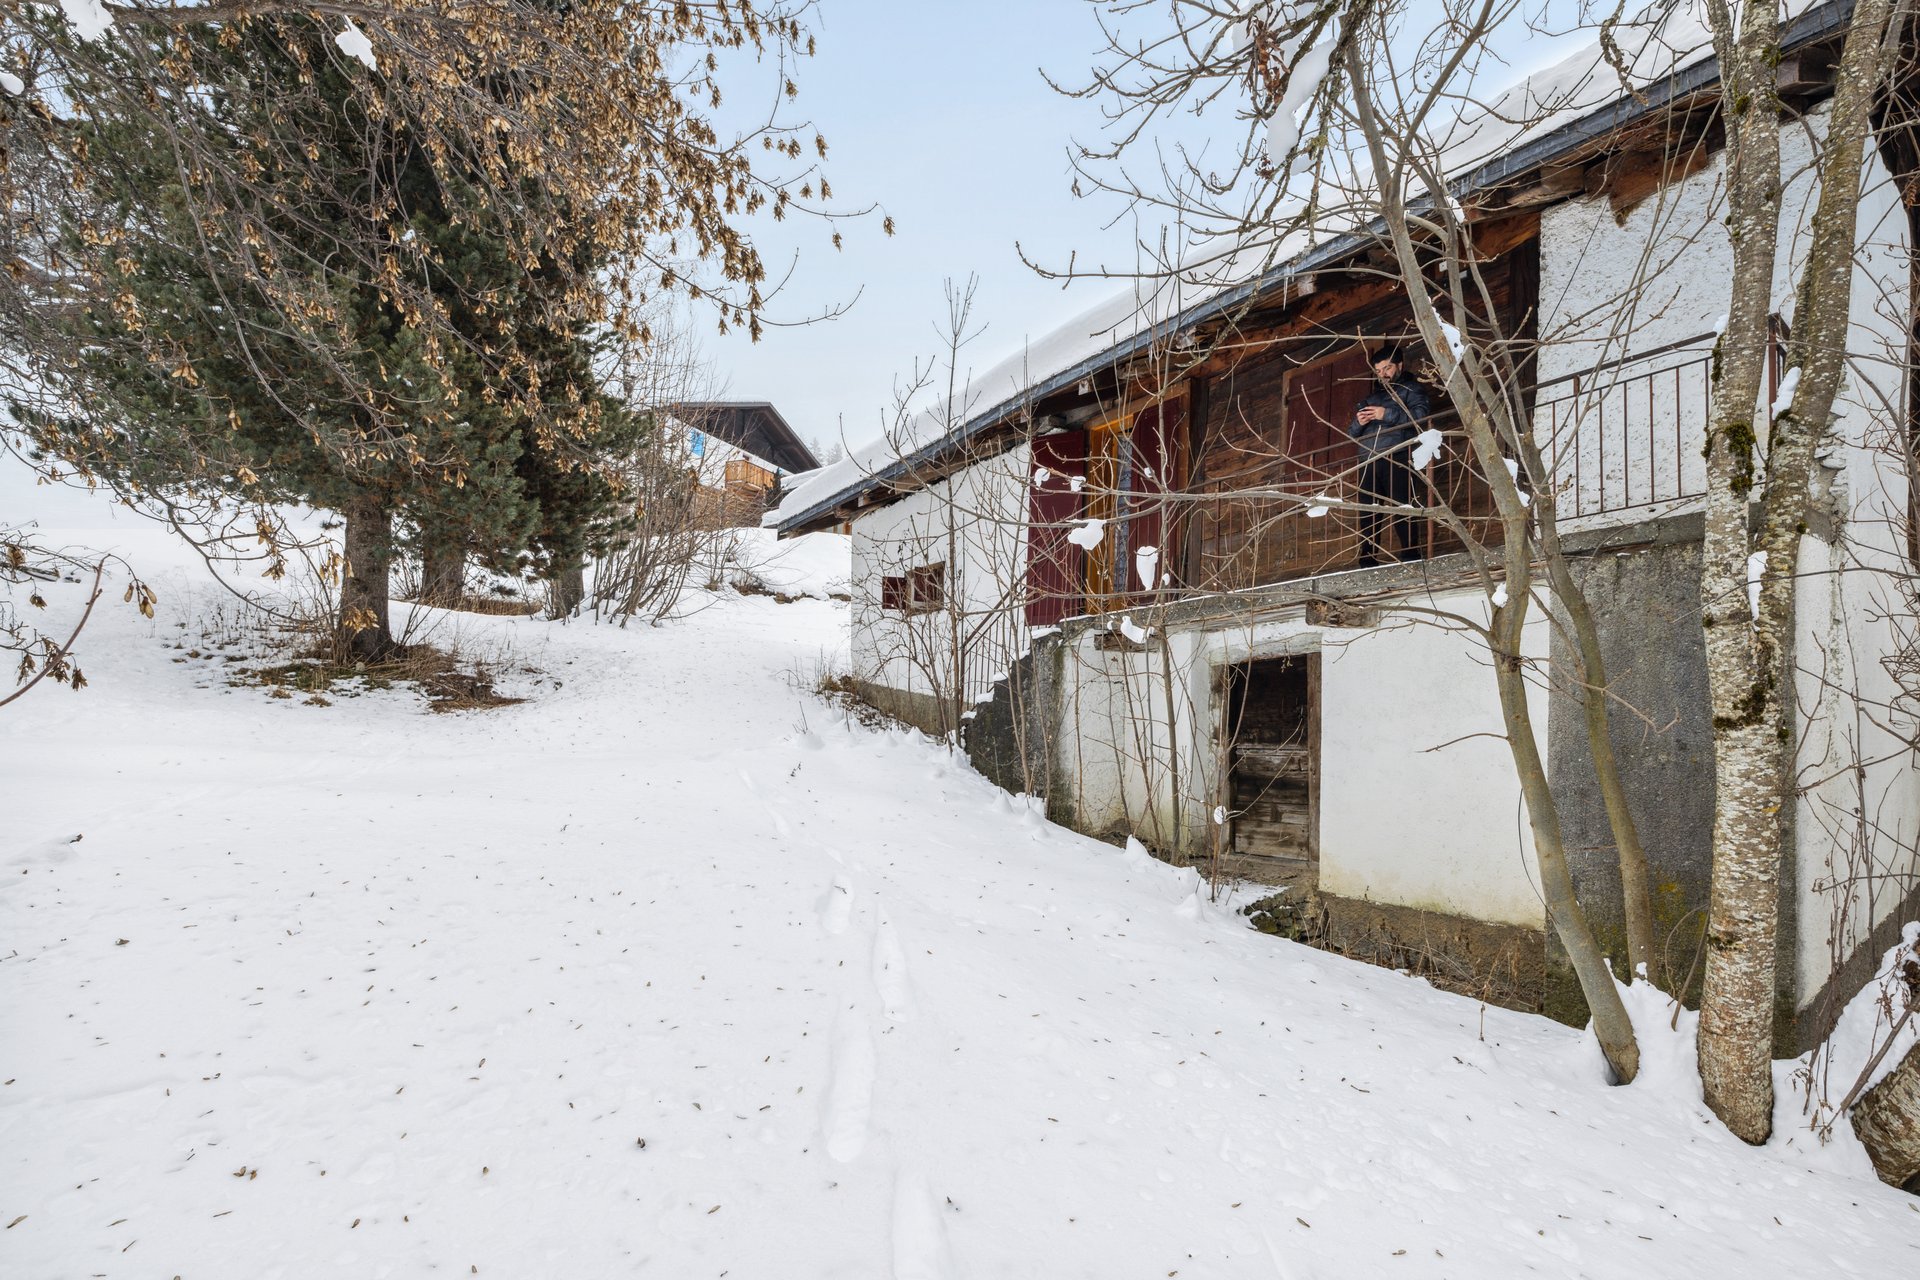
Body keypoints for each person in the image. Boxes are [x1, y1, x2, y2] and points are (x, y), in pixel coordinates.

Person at [1347, 347, 1430, 566]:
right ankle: (1367, 558)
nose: (1383, 374)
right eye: (1379, 370)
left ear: (1400, 365)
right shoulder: (1371, 398)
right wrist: (1359, 422)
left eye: (1387, 368)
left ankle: (1410, 554)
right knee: (1368, 510)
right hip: (1368, 458)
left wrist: (1386, 414)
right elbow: (1351, 433)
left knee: (1401, 505)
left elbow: (1420, 418)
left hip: (1398, 453)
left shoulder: (1412, 389)